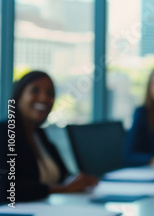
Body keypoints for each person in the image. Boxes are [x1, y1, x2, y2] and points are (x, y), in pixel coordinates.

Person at [0, 71, 98, 203]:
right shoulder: (4, 132)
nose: (44, 98)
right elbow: (6, 188)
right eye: (35, 91)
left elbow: (64, 176)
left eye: (50, 93)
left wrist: (79, 181)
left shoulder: (39, 134)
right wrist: (63, 189)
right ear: (18, 98)